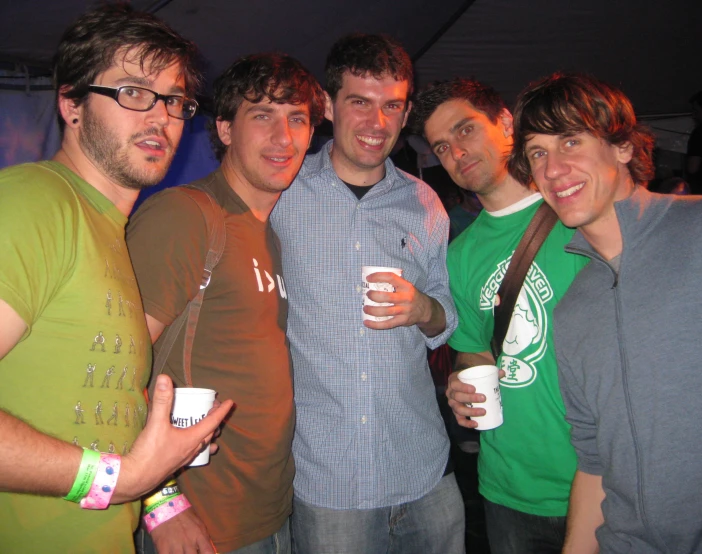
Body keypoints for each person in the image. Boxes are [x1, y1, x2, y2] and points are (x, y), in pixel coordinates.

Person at [0, 5, 232, 553]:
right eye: (132, 92)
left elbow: (105, 405)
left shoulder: (108, 230)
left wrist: (158, 494)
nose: (160, 118)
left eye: (174, 100)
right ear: (71, 104)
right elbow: (112, 470)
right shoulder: (35, 203)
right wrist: (117, 482)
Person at [508, 72, 702, 554]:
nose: (552, 169)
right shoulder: (570, 313)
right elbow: (594, 464)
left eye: (570, 140)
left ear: (623, 148)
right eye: (537, 153)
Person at [270, 33, 464, 554]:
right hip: (329, 478)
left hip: (423, 465)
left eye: (392, 106)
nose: (377, 124)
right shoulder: (281, 194)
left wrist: (425, 309)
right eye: (360, 103)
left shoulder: (425, 202)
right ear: (329, 106)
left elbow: (447, 318)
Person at [127, 53, 324, 554]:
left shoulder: (275, 231)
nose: (285, 138)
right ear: (226, 128)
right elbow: (112, 372)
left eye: (297, 118)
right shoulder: (186, 216)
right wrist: (160, 502)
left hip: (272, 508)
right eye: (263, 116)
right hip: (200, 518)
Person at [412, 77, 588, 553]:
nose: (456, 152)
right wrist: (462, 386)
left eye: (466, 130)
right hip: (510, 486)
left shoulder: (581, 212)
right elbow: (473, 352)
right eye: (442, 146)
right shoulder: (460, 254)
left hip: (604, 482)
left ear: (506, 122)